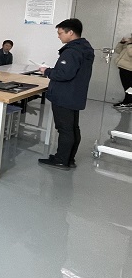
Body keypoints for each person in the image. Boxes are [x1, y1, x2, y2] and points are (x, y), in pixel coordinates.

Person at [38, 19, 94, 170]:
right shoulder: (84, 48)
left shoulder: (72, 51)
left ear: (71, 33)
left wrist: (47, 71)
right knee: (73, 127)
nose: (59, 36)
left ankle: (61, 160)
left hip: (64, 95)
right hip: (75, 93)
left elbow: (64, 74)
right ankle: (69, 159)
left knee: (65, 129)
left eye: (60, 33)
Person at [113, 35, 132, 108]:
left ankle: (128, 102)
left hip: (129, 69)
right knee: (127, 87)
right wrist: (122, 43)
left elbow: (131, 53)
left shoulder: (130, 45)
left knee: (129, 87)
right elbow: (118, 50)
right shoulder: (128, 44)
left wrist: (130, 44)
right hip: (123, 68)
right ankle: (127, 101)